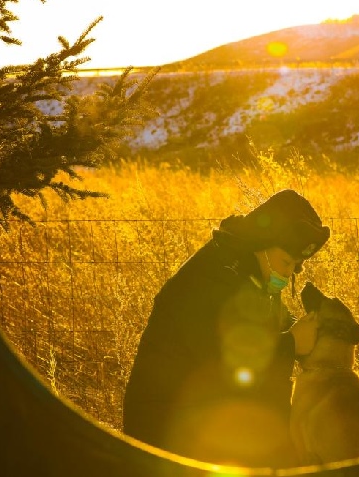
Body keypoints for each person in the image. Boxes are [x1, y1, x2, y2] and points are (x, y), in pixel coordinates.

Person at [121, 189, 331, 467]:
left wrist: (302, 329)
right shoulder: (209, 278)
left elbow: (273, 321)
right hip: (164, 430)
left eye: (296, 266)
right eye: (286, 262)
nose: (289, 273)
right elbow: (223, 362)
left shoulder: (249, 270)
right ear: (264, 243)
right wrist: (290, 344)